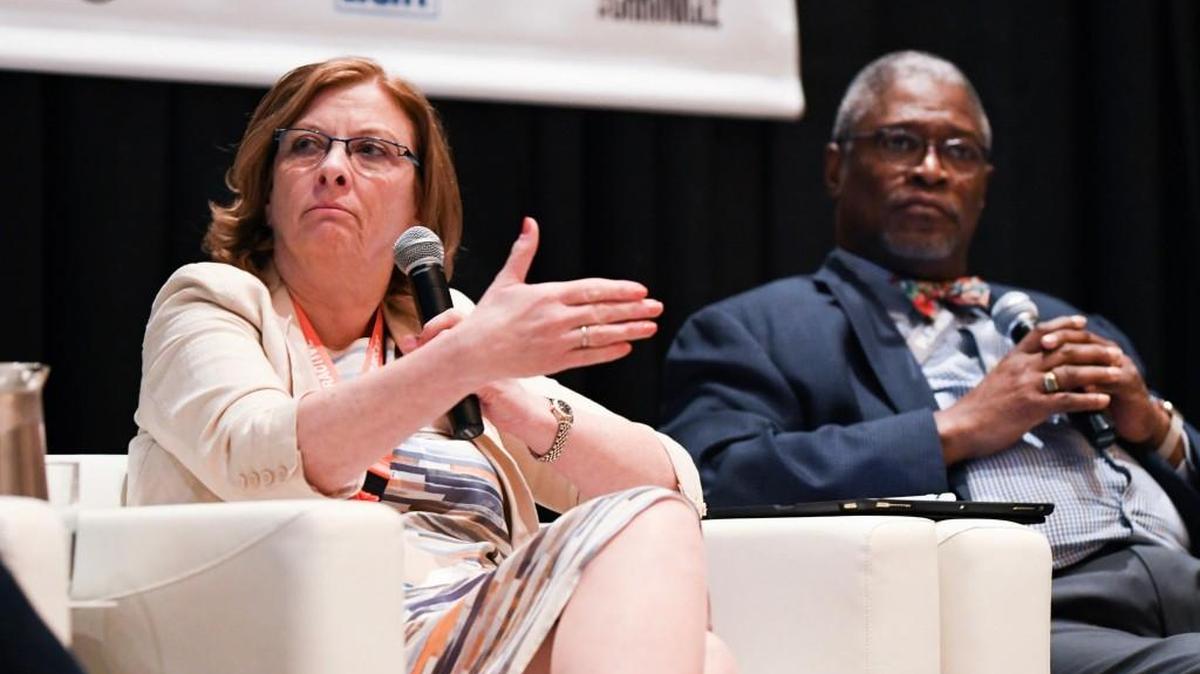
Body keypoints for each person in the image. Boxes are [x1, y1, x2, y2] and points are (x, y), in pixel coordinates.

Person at [127, 56, 736, 674]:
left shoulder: (436, 324)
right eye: (306, 146)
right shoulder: (211, 302)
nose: (334, 169)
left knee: (686, 612)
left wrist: (517, 403)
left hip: (474, 615)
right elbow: (254, 454)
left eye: (371, 151)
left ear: (419, 202)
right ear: (269, 184)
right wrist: (454, 365)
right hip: (311, 628)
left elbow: (667, 484)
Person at [660, 50, 1200, 673]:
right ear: (836, 167)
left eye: (959, 151)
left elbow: (1168, 445)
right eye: (899, 142)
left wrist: (1156, 428)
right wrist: (958, 428)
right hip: (1030, 613)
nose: (931, 170)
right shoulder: (754, 329)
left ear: (985, 185)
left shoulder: (1067, 320)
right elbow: (711, 478)